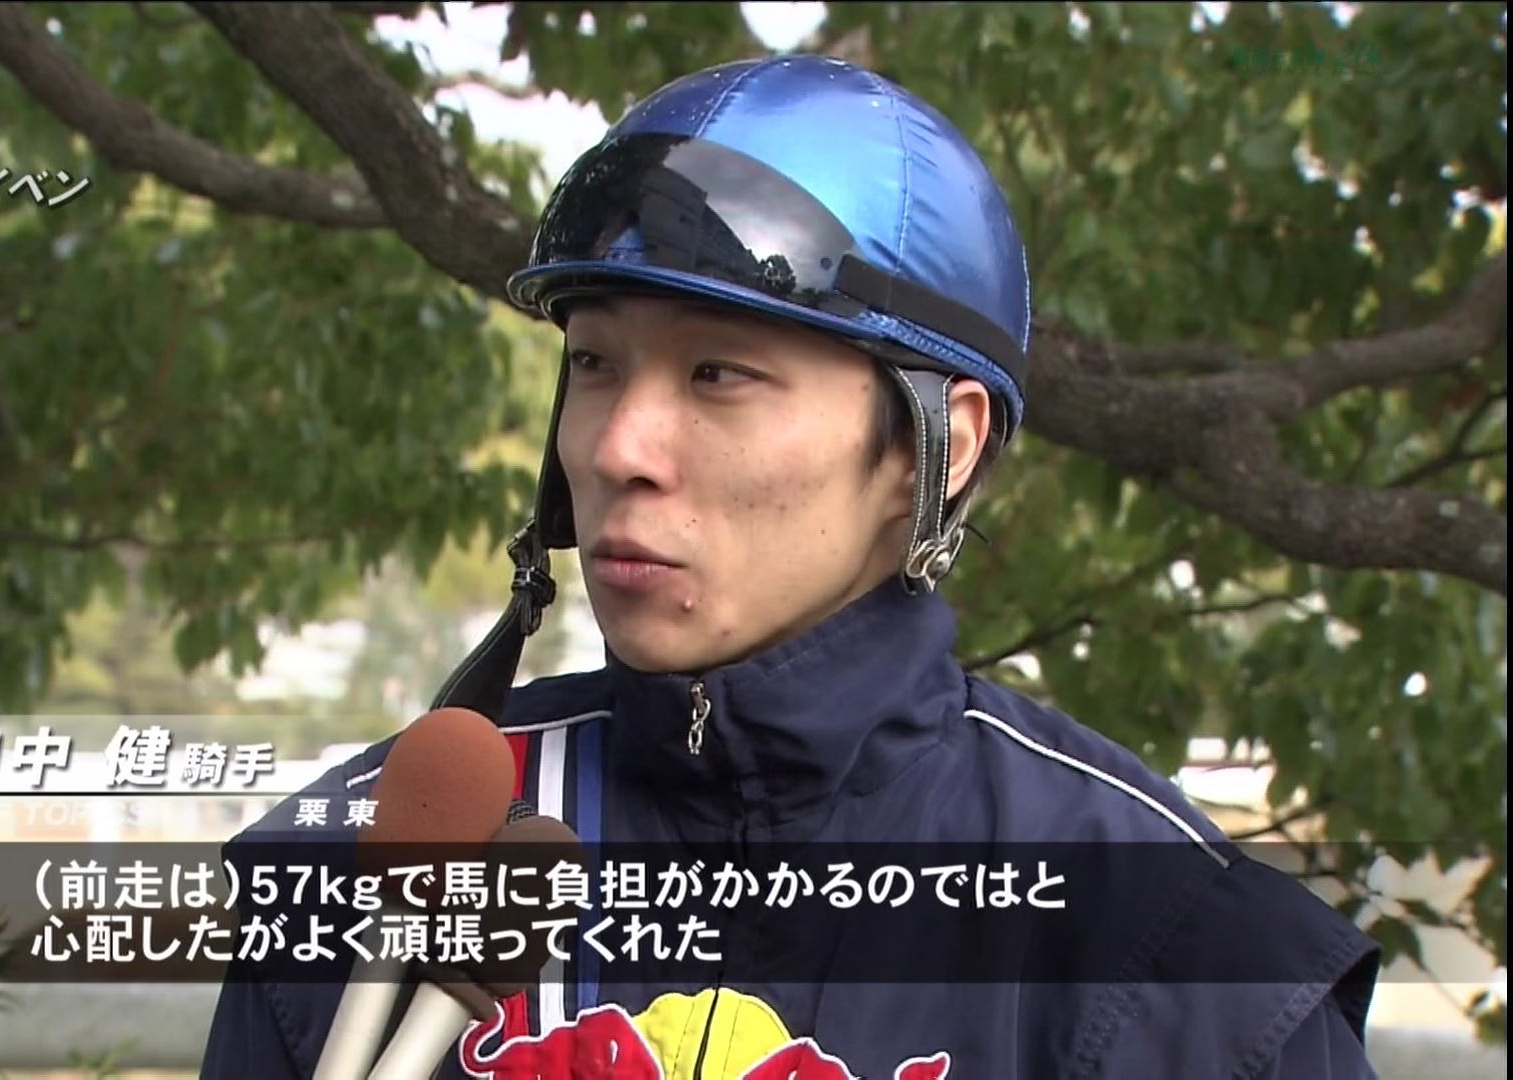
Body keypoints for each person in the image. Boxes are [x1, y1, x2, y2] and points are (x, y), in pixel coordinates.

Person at [202, 53, 1381, 1079]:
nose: (617, 448)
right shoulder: (365, 870)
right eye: (596, 363)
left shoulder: (1183, 956)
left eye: (718, 374)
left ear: (939, 449)